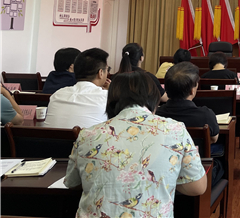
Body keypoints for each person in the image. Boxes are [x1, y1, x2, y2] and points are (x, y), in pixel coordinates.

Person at [65, 70, 206, 217]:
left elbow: (72, 182)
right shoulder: (175, 130)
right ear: (154, 99)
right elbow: (198, 187)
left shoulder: (87, 134)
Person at [157, 62, 224, 185]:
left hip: (164, 173)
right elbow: (214, 139)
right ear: (193, 90)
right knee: (221, 164)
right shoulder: (206, 114)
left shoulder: (157, 115)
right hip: (197, 175)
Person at [45, 48, 111, 129]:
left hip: (52, 137)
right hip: (87, 137)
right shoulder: (106, 97)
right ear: (100, 73)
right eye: (107, 69)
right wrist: (111, 92)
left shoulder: (57, 95)